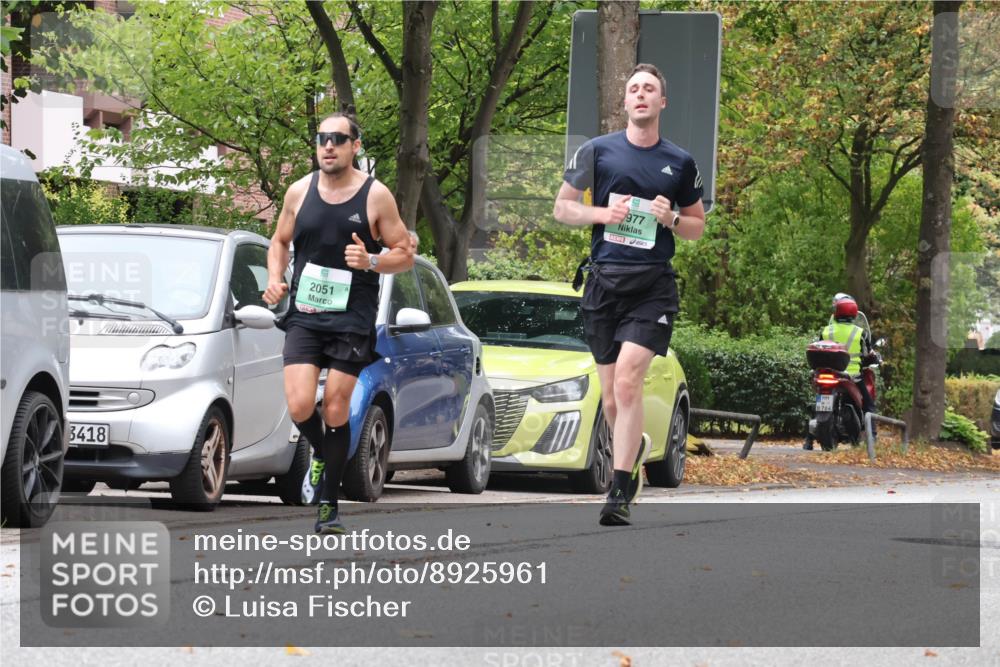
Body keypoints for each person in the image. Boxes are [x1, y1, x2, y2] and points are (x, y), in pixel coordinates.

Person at [553, 63, 706, 526]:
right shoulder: (597, 152)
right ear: (625, 102)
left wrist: (672, 219)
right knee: (614, 399)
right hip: (604, 283)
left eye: (650, 90)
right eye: (634, 89)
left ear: (662, 103)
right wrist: (603, 213)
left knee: (627, 380)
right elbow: (562, 209)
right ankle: (632, 446)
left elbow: (697, 227)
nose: (641, 95)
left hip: (651, 286)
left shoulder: (679, 162)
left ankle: (618, 493)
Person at [264, 113, 413, 534]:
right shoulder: (299, 191)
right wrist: (275, 278)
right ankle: (323, 453)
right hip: (306, 314)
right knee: (298, 405)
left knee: (334, 407)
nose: (328, 145)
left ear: (355, 147)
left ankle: (328, 505)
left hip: (352, 315)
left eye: (338, 139)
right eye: (321, 138)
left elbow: (403, 251)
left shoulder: (375, 195)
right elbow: (279, 241)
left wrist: (371, 260)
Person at [804, 293, 877, 450]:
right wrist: (873, 358)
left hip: (826, 373)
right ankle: (873, 438)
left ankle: (808, 440)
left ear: (836, 311)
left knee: (817, 401)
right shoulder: (860, 332)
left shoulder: (826, 330)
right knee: (869, 406)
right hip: (852, 376)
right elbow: (868, 352)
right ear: (853, 312)